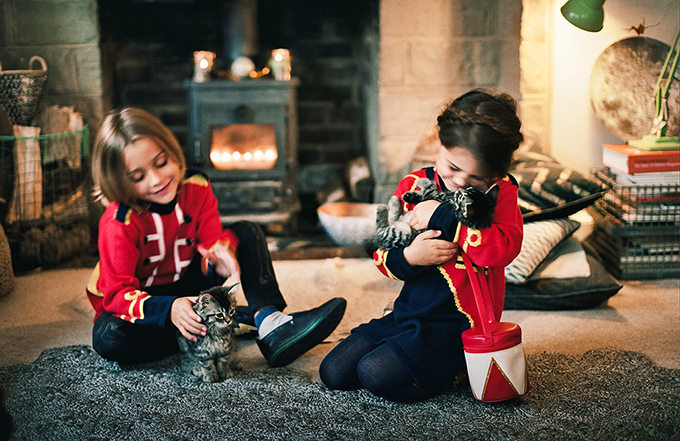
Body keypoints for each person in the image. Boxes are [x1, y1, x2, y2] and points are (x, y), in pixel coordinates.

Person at [86, 107, 346, 367]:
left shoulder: (196, 187)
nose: (157, 180)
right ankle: (214, 324)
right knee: (111, 339)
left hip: (189, 284)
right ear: (119, 181)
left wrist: (221, 251)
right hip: (145, 299)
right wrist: (169, 309)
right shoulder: (118, 222)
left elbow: (211, 239)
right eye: (138, 177)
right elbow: (116, 295)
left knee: (247, 231)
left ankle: (270, 322)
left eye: (161, 162)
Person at [319, 89, 524, 402]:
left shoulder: (501, 194)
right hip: (408, 313)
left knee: (375, 374)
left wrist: (443, 215)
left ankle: (455, 368)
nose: (459, 182)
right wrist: (411, 256)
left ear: (496, 174)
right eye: (453, 167)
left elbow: (503, 249)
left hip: (459, 325)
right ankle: (410, 353)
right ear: (438, 141)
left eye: (475, 177)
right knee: (334, 372)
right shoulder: (414, 186)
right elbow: (381, 250)